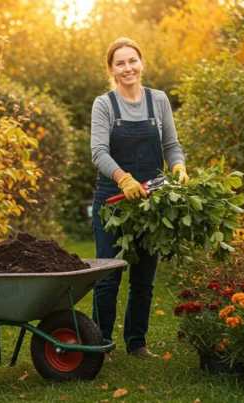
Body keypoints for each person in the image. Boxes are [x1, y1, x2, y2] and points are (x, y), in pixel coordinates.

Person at [90, 37, 188, 362]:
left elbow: (171, 145)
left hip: (151, 201)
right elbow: (98, 152)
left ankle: (136, 343)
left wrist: (179, 168)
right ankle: (100, 344)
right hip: (113, 200)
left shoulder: (158, 100)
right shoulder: (104, 104)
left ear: (141, 63)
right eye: (120, 63)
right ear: (111, 70)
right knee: (108, 275)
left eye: (132, 60)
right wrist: (124, 178)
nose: (127, 67)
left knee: (144, 278)